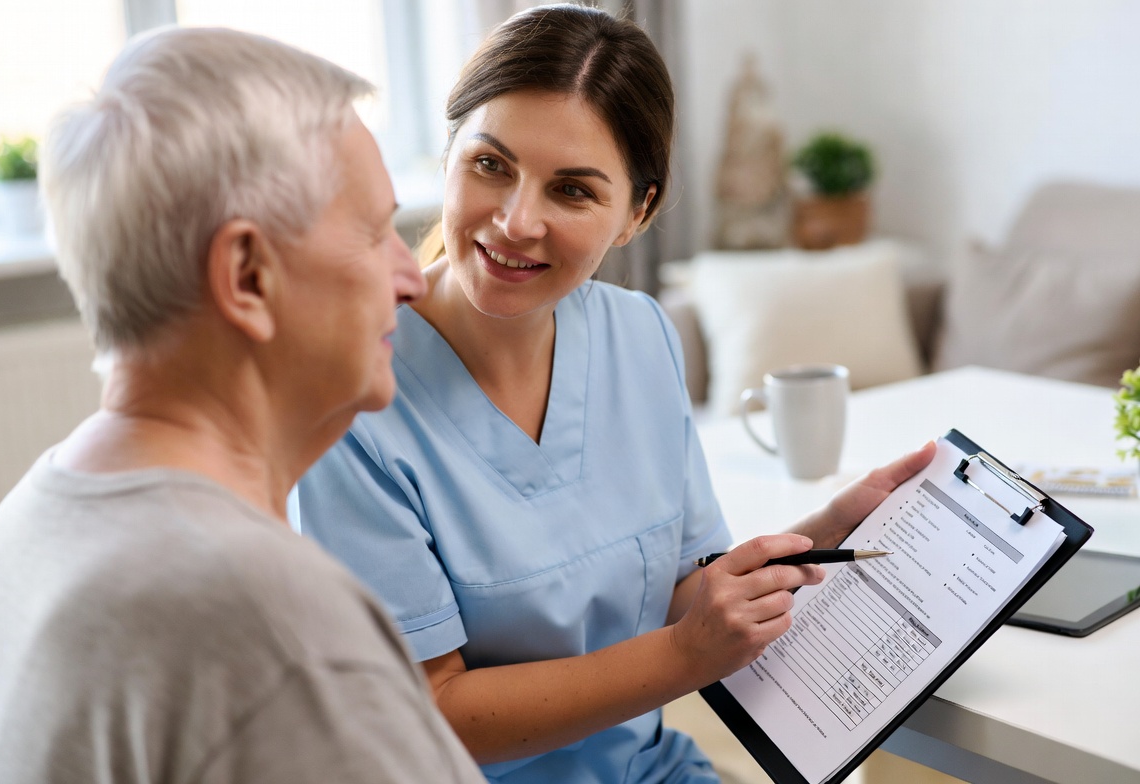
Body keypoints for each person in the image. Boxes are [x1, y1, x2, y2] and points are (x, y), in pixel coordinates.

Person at [296, 5, 935, 783]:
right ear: (448, 154)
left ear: (637, 212)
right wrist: (683, 654)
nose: (515, 221)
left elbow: (677, 588)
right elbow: (431, 712)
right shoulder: (352, 399)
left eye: (571, 190)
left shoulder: (641, 335)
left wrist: (812, 542)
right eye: (490, 165)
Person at [0, 26, 488, 784]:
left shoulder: (29, 517)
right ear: (246, 275)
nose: (411, 277)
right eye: (377, 232)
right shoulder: (275, 623)